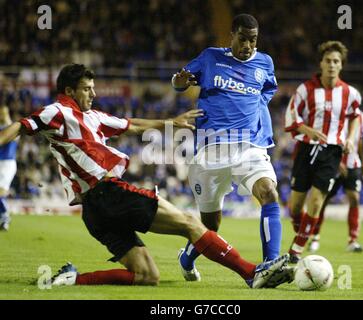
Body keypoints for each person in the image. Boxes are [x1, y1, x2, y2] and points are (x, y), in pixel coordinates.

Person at [0, 63, 289, 288]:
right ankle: (252, 273)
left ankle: (73, 279)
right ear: (70, 90)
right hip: (108, 193)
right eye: (87, 88)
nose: (94, 93)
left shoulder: (95, 117)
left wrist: (170, 123)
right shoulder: (58, 111)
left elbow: (132, 125)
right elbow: (21, 126)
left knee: (146, 275)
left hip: (94, 213)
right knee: (190, 223)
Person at [172, 13, 290, 287]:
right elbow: (179, 83)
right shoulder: (211, 57)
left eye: (253, 40)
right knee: (210, 226)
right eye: (243, 39)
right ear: (232, 36)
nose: (248, 45)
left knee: (269, 193)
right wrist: (181, 80)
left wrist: (255, 112)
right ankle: (187, 259)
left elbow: (268, 90)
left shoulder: (265, 62)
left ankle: (268, 265)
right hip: (211, 150)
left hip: (250, 146)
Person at [284, 41, 361, 263]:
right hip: (306, 149)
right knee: (295, 206)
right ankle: (302, 231)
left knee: (316, 201)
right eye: (328, 60)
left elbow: (355, 115)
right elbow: (291, 118)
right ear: (321, 63)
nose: (331, 65)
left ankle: (295, 252)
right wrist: (309, 130)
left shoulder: (349, 93)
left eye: (336, 61)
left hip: (332, 152)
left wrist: (349, 137)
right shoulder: (305, 89)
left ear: (341, 65)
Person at [308, 110, 363, 253]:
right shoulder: (335, 113)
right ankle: (314, 237)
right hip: (333, 163)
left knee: (354, 198)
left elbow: (358, 139)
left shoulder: (361, 116)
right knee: (322, 199)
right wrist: (337, 162)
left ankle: (352, 240)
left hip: (353, 163)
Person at [0, 106, 18, 231]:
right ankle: (3, 217)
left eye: (4, 112)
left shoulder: (13, 127)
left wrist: (6, 118)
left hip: (7, 164)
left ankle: (5, 216)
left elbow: (15, 138)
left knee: (1, 192)